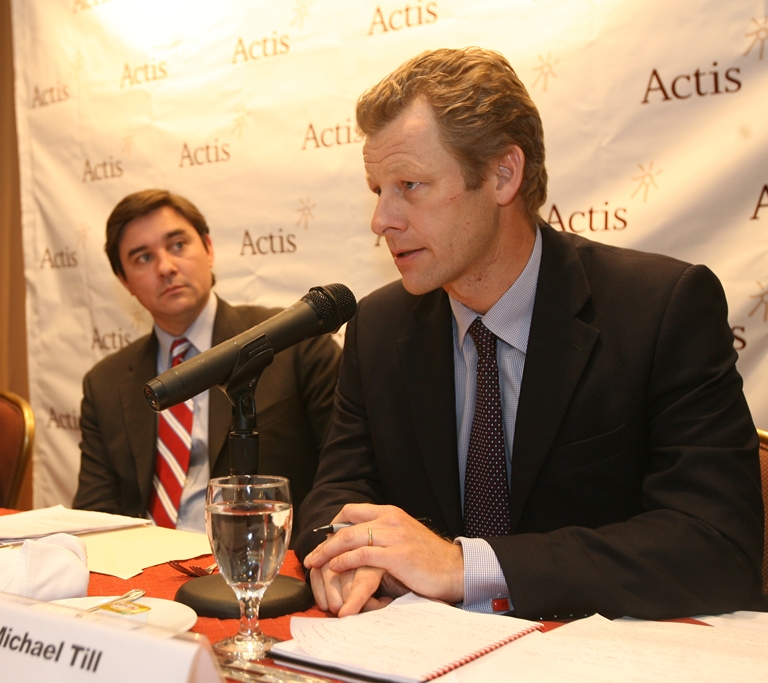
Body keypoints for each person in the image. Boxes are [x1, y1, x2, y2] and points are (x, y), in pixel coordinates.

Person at [296, 47, 765, 621]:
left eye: (410, 186)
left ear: (502, 174)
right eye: (378, 191)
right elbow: (334, 498)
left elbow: (715, 545)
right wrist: (350, 552)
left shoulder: (659, 309)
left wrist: (465, 567)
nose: (382, 220)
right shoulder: (379, 326)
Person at [72, 189, 340, 532]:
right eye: (142, 258)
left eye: (178, 245)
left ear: (209, 249)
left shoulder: (294, 342)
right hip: (147, 567)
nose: (166, 267)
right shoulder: (105, 383)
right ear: (124, 282)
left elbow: (343, 480)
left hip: (263, 562)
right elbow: (95, 514)